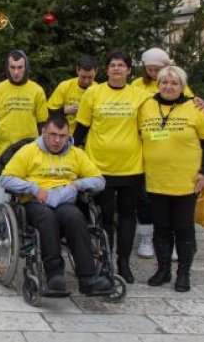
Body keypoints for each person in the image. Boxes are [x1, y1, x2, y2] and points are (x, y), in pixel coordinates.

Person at [0, 114, 112, 295]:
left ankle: (88, 278)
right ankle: (54, 274)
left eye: (62, 136)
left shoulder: (76, 154)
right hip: (35, 202)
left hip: (64, 201)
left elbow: (100, 181)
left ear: (68, 136)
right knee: (46, 216)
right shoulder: (29, 151)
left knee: (75, 216)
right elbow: (5, 179)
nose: (57, 140)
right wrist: (33, 188)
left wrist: (79, 184)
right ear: (44, 132)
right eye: (53, 134)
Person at [138, 66, 204, 292]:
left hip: (186, 182)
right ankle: (163, 270)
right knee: (161, 228)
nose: (169, 87)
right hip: (155, 181)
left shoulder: (196, 108)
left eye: (174, 83)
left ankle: (183, 273)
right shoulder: (146, 106)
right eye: (165, 82)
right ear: (158, 84)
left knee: (184, 229)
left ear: (182, 86)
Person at [74, 51, 150, 283]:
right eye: (112, 65)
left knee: (127, 216)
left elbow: (150, 127)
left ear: (129, 70)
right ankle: (105, 261)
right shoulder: (94, 93)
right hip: (100, 168)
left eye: (121, 65)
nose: (116, 69)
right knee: (105, 218)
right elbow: (81, 129)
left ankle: (123, 262)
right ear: (106, 70)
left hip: (131, 168)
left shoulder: (140, 96)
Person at [0, 50, 49, 163]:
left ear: (26, 67)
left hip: (28, 151)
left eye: (20, 67)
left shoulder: (37, 91)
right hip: (1, 152)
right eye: (12, 67)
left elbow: (43, 125)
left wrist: (45, 149)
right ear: (7, 68)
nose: (16, 72)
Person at [47, 55, 98, 133]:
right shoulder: (65, 86)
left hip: (87, 138)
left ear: (96, 71)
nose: (86, 81)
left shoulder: (98, 91)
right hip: (63, 136)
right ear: (77, 70)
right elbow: (49, 112)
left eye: (90, 77)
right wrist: (65, 110)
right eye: (83, 77)